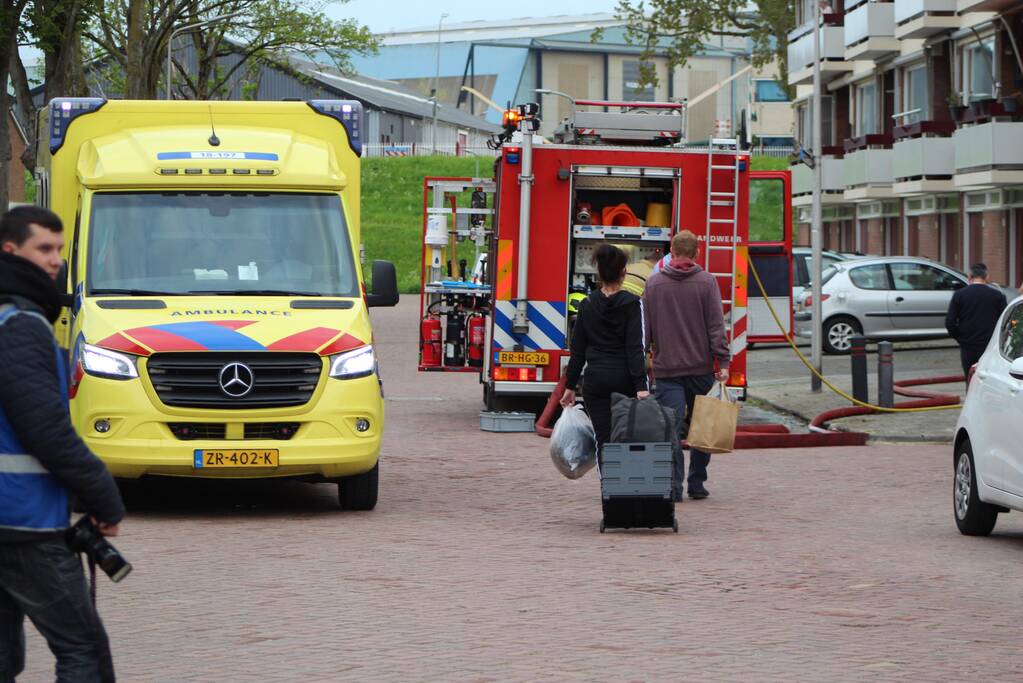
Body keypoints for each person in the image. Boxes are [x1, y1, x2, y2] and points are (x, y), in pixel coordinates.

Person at [0, 205, 126, 682]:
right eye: (44, 249)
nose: (55, 261)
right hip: (23, 522)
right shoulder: (22, 327)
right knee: (83, 651)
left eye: (59, 249)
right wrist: (103, 499)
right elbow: (47, 430)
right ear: (10, 251)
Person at [644, 230, 730, 501]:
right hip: (700, 368)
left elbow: (645, 328)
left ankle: (673, 486)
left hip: (667, 370)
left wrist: (644, 359)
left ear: (672, 250)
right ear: (697, 253)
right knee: (702, 428)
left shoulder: (654, 284)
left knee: (670, 429)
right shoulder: (707, 283)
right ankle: (697, 483)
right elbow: (716, 326)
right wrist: (723, 360)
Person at [561, 244, 650, 452]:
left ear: (599, 272)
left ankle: (607, 484)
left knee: (603, 438)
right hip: (624, 381)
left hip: (595, 381)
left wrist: (570, 385)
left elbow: (578, 350)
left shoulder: (587, 304)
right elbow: (635, 348)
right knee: (624, 439)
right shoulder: (632, 304)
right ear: (623, 272)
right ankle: (622, 481)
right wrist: (641, 387)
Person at [946, 262, 1007, 378]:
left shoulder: (959, 295)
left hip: (968, 345)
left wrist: (960, 338)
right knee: (989, 379)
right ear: (987, 277)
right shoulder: (998, 296)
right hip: (989, 346)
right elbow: (1004, 321)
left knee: (970, 379)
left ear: (969, 277)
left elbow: (950, 322)